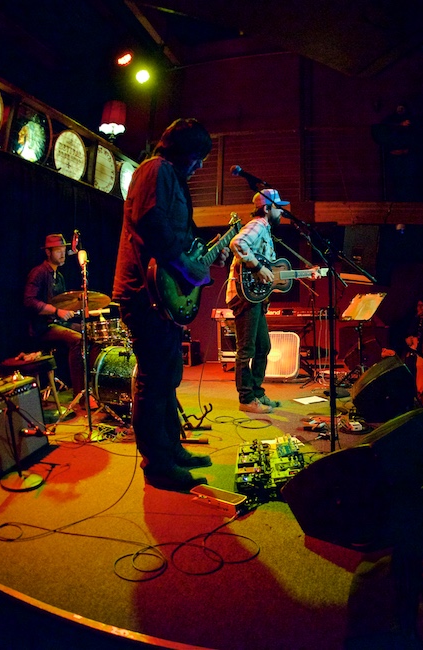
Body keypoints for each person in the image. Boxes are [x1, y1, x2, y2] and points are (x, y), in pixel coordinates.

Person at [113, 118, 226, 492]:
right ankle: (158, 465)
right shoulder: (156, 170)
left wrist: (204, 257)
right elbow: (151, 224)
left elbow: (178, 237)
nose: (202, 165)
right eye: (199, 156)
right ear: (183, 150)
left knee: (169, 377)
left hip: (159, 296)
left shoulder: (170, 176)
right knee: (154, 379)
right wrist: (187, 268)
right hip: (143, 294)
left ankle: (172, 450)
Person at [226, 188, 293, 414]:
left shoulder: (266, 231)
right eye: (278, 207)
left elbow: (269, 271)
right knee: (247, 349)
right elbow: (237, 243)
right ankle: (246, 399)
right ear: (266, 208)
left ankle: (256, 392)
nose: (281, 212)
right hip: (243, 296)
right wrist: (257, 267)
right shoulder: (258, 225)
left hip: (254, 297)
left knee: (263, 346)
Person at [23, 233, 86, 398]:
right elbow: (29, 301)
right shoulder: (39, 273)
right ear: (48, 252)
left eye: (64, 250)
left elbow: (62, 305)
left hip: (56, 324)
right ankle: (80, 394)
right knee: (77, 340)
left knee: (87, 331)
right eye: (58, 250)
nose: (63, 254)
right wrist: (57, 311)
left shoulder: (60, 277)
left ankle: (92, 387)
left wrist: (75, 309)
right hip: (42, 328)